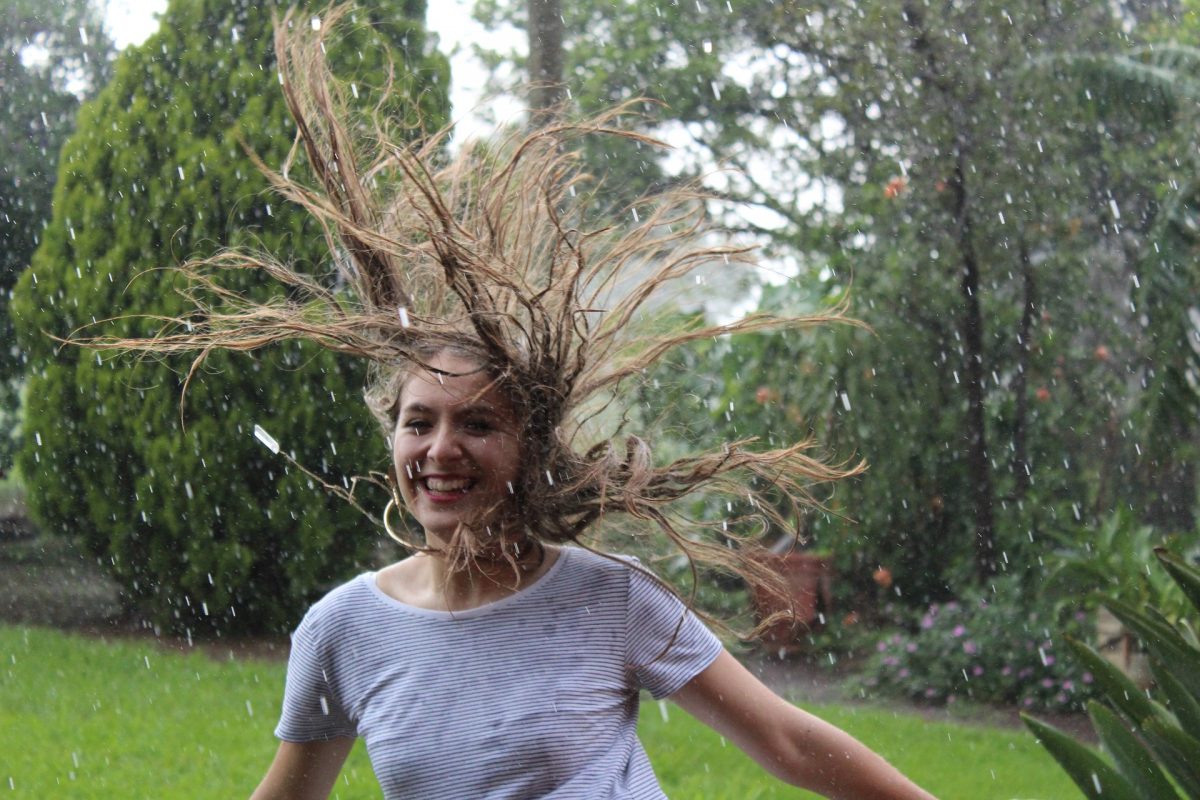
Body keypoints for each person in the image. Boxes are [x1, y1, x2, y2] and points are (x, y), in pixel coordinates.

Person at [97, 7, 937, 798]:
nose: (440, 450)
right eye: (418, 422)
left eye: (479, 423)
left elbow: (786, 744)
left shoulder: (612, 597)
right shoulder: (342, 630)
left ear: (530, 448)